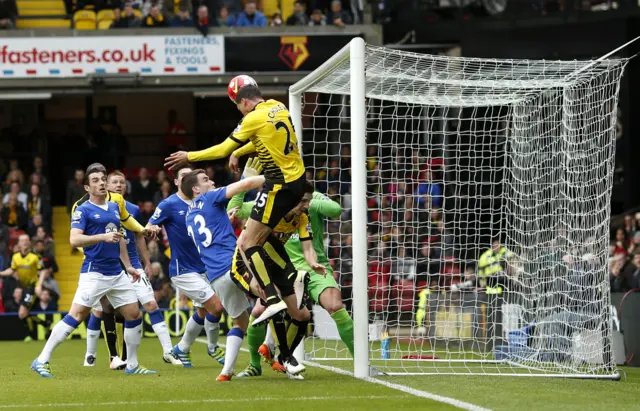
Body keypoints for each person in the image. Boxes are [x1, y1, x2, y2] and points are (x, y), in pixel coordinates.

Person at [165, 78, 308, 364]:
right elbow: (264, 141)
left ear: (243, 101)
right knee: (263, 241)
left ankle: (270, 296)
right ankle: (283, 287)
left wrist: (188, 156)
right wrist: (240, 152)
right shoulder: (278, 107)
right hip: (297, 181)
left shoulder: (251, 118)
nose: (240, 113)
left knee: (246, 241)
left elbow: (219, 149)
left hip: (278, 185)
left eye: (238, 108)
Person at [31, 166, 155, 377]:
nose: (101, 183)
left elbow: (120, 240)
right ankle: (41, 360)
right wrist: (101, 238)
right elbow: (74, 239)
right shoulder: (83, 210)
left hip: (117, 273)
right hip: (94, 272)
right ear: (87, 187)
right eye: (96, 180)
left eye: (103, 179)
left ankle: (132, 364)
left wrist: (129, 267)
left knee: (134, 315)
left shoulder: (115, 207)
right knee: (76, 315)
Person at [228, 181, 354, 378]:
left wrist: (308, 201)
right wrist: (245, 180)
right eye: (302, 201)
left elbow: (334, 211)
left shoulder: (307, 207)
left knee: (322, 309)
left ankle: (361, 363)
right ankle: (258, 362)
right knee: (262, 308)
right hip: (265, 264)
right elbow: (238, 216)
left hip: (303, 267)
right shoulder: (271, 209)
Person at [180, 165, 271, 380]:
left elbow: (210, 231)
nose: (211, 182)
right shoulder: (211, 196)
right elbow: (246, 185)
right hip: (235, 263)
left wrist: (226, 218)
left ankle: (226, 371)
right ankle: (272, 347)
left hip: (216, 276)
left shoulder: (189, 216)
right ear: (196, 189)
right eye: (205, 180)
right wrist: (278, 178)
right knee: (276, 296)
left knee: (240, 321)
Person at [83, 171, 182, 368]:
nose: (119, 185)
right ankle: (92, 354)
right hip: (107, 265)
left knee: (150, 305)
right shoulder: (97, 208)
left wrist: (146, 261)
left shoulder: (133, 209)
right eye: (114, 182)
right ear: (107, 185)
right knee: (100, 310)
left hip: (133, 265)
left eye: (122, 182)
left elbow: (138, 236)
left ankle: (168, 351)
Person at [146, 164, 225, 367]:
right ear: (176, 181)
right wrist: (153, 227)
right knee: (216, 307)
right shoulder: (169, 204)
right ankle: (213, 347)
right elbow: (149, 225)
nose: (187, 179)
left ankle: (181, 349)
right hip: (183, 269)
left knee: (202, 311)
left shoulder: (202, 201)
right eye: (183, 176)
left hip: (205, 266)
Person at [0, 234, 47, 341]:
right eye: (22, 240)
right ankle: (45, 323)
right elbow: (12, 270)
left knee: (22, 313)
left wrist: (39, 285)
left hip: (32, 286)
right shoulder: (15, 257)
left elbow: (43, 271)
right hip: (23, 287)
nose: (25, 242)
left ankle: (30, 335)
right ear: (19, 243)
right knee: (23, 314)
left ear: (29, 242)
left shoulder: (35, 256)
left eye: (26, 240)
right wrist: (1, 273)